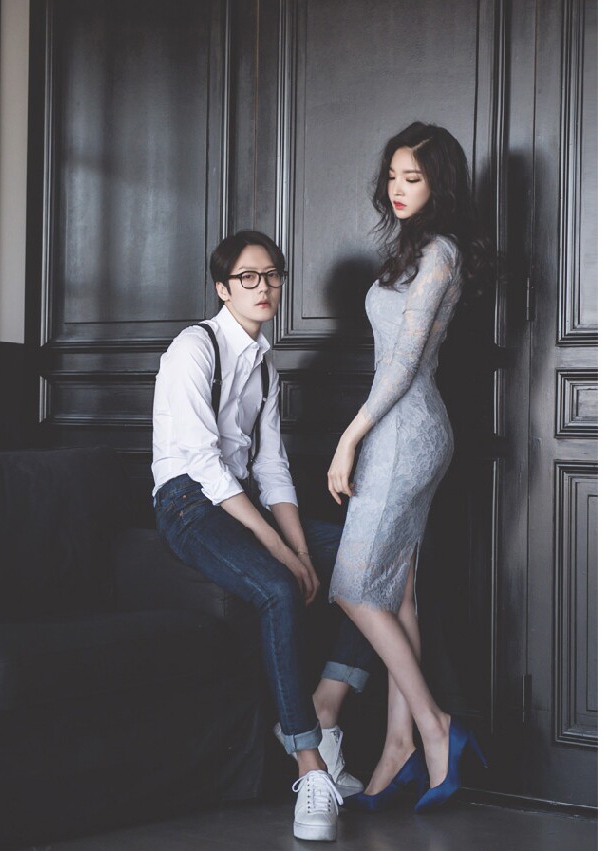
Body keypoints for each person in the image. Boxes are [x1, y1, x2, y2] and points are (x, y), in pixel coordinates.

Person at [152, 230, 378, 841]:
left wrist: (302, 547)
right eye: (248, 277)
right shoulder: (193, 348)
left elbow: (272, 468)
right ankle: (310, 768)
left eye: (272, 275)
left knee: (370, 554)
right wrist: (280, 551)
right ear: (223, 289)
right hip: (187, 505)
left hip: (242, 502)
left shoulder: (265, 367)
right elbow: (202, 464)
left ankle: (324, 714)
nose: (264, 287)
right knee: (279, 588)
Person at [326, 121, 491, 815]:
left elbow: (402, 362)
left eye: (412, 178)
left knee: (354, 587)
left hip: (404, 431)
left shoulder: (441, 252)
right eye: (392, 176)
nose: (397, 188)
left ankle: (434, 726)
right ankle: (398, 749)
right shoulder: (413, 249)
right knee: (396, 596)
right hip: (404, 429)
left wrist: (348, 439)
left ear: (438, 185)